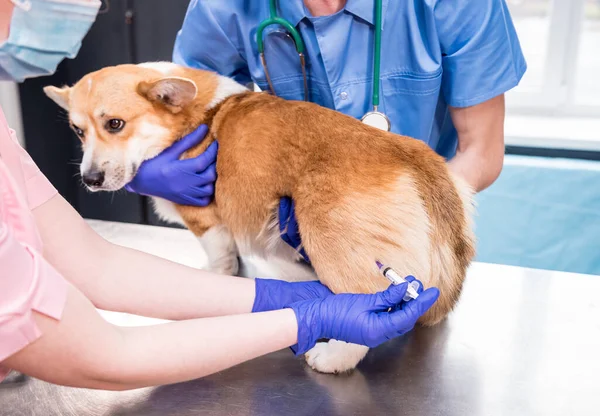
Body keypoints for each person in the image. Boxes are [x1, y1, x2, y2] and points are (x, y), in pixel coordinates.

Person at [0, 0, 439, 390]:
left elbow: (94, 266)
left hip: (400, 201)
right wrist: (301, 318)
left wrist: (282, 300)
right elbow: (103, 357)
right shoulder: (221, 8)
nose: (84, 9)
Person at [125, 0, 527, 263]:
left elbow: (481, 152)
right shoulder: (225, 7)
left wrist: (391, 224)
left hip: (409, 235)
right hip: (289, 241)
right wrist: (137, 169)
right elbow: (178, 113)